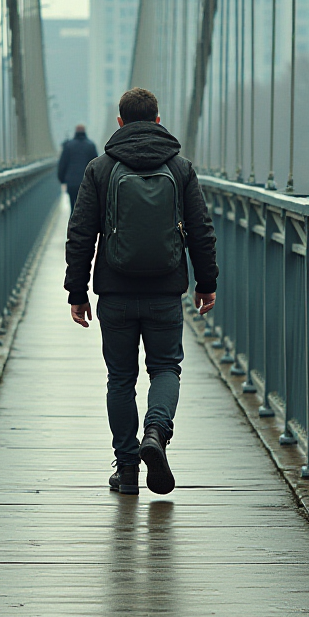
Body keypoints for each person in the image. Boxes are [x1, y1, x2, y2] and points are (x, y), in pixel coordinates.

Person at [64, 87, 217, 496]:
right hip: (166, 290)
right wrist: (207, 282)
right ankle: (156, 432)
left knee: (121, 378)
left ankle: (128, 470)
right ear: (158, 120)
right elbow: (201, 231)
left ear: (119, 123)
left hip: (114, 290)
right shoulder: (181, 168)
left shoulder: (100, 168)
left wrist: (76, 291)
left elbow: (80, 234)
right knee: (166, 368)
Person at [57, 124, 98, 210]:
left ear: (75, 132)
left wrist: (62, 180)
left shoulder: (68, 146)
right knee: (86, 209)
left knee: (74, 208)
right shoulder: (91, 146)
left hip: (72, 183)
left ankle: (74, 222)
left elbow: (62, 164)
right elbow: (96, 165)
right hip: (87, 183)